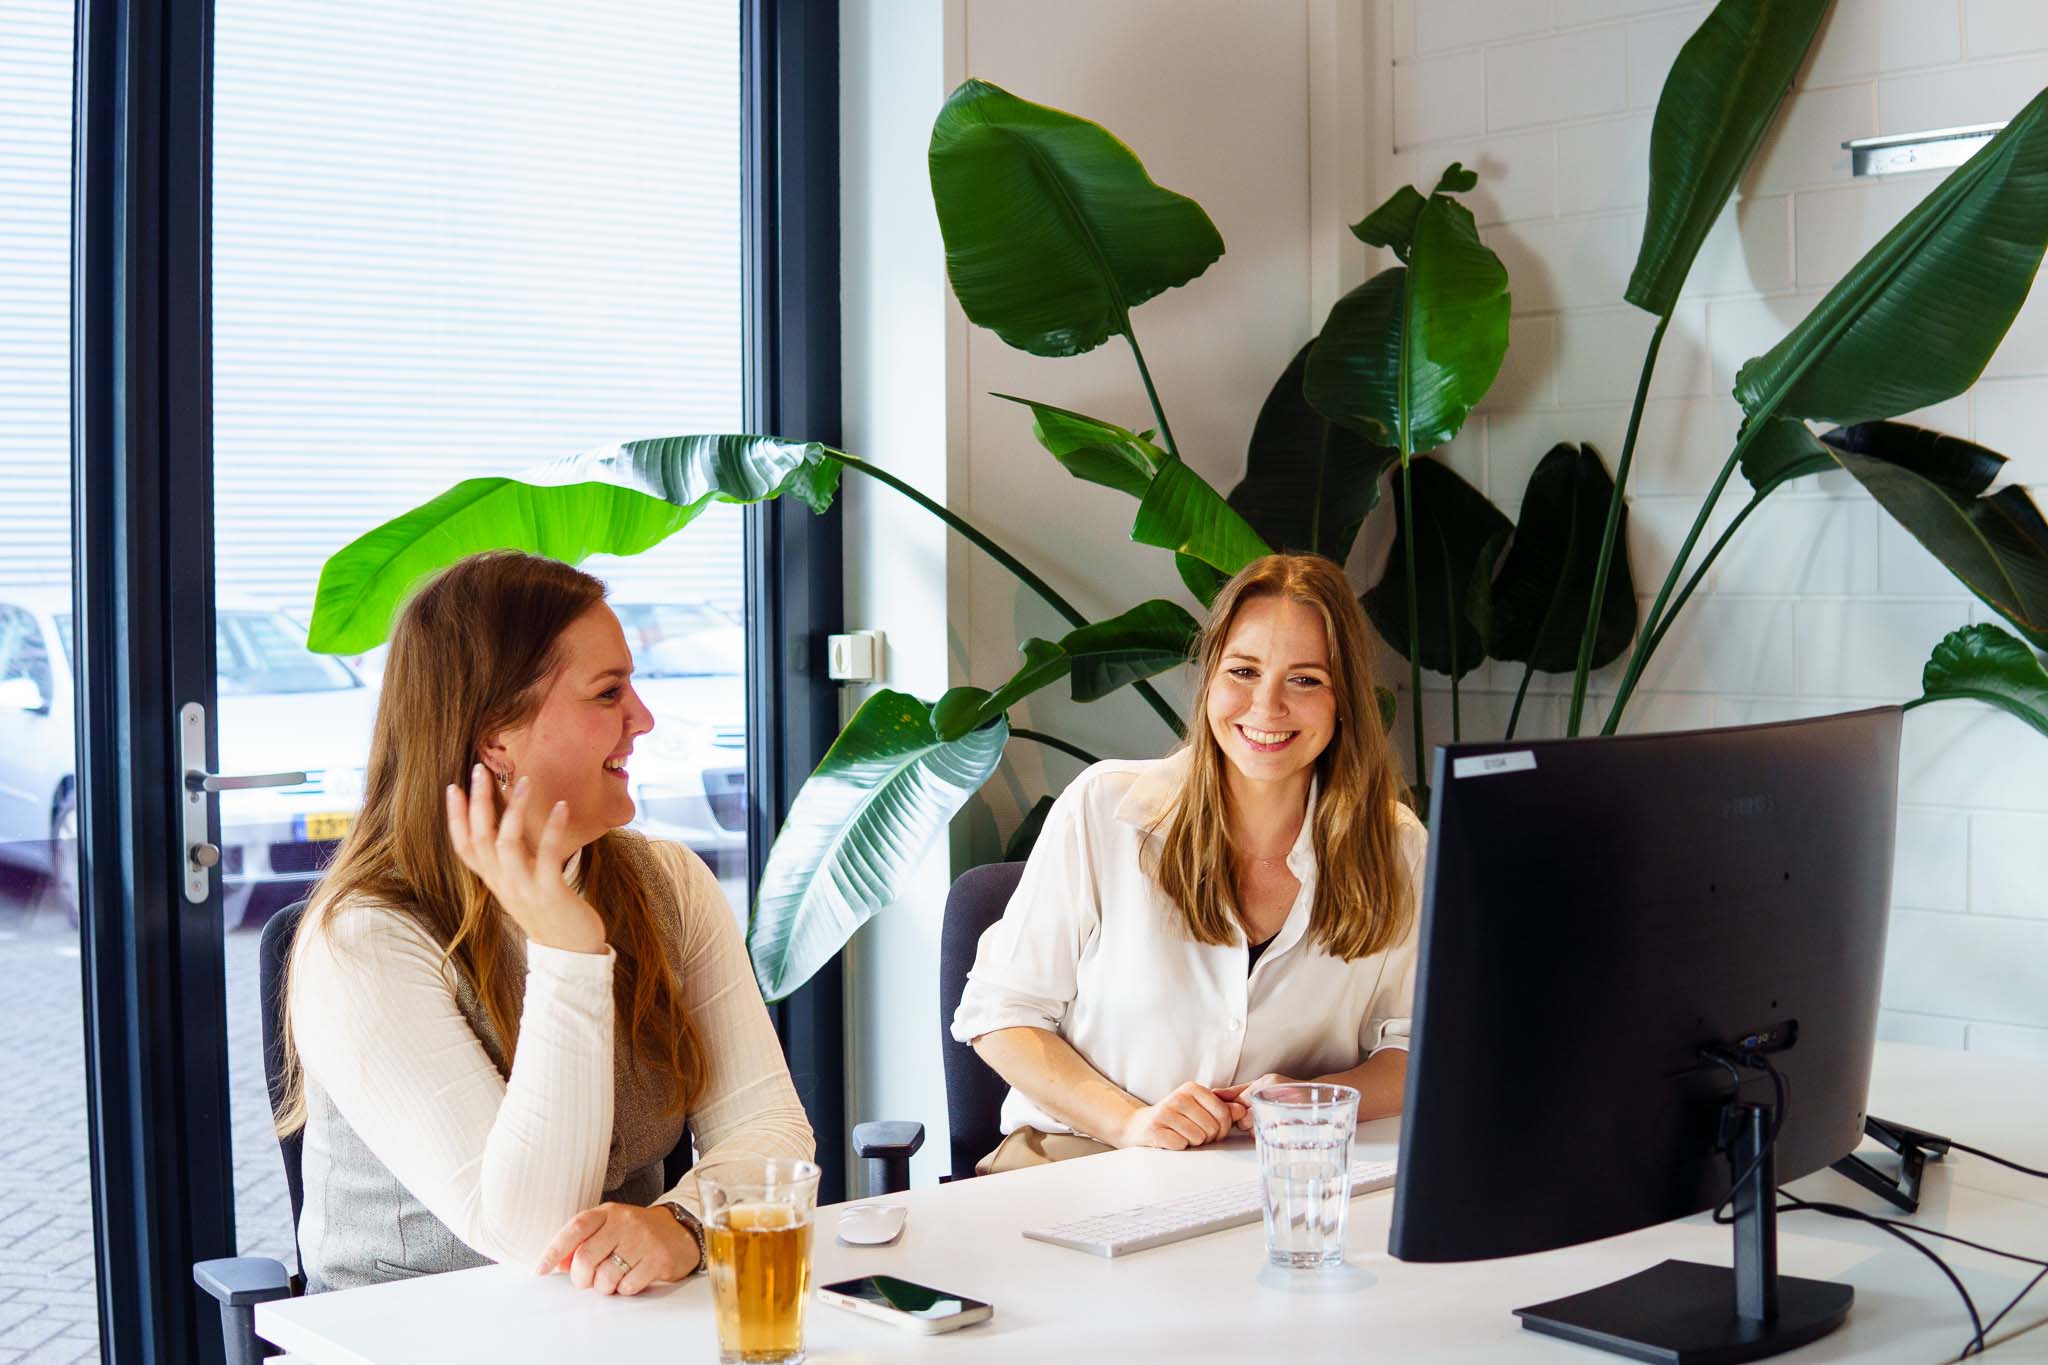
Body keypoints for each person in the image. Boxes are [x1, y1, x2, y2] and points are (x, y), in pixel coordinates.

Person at [277, 551, 812, 1295]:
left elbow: (773, 1133)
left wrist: (684, 1224)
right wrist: (569, 950)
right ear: (496, 734)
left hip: (622, 1329)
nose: (643, 719)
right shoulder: (364, 937)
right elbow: (530, 1233)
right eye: (608, 692)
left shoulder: (670, 883)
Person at [952, 553, 1425, 1172]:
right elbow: (1000, 1016)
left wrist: (1312, 1100)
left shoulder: (1394, 847)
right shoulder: (1104, 809)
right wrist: (1131, 1122)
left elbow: (1415, 1047)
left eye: (1305, 679)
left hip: (1278, 1175)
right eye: (1244, 671)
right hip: (1079, 1159)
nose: (1267, 705)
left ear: (1345, 702)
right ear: (1210, 682)